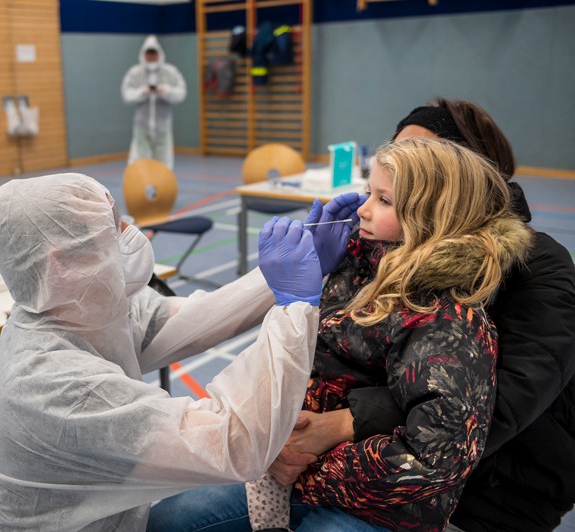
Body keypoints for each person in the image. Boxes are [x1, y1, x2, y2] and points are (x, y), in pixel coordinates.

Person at [147, 138, 534, 531]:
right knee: (167, 520)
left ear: (431, 218)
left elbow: (435, 456)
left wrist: (311, 465)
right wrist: (274, 438)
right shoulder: (357, 267)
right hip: (292, 469)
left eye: (384, 201)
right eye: (369, 192)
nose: (363, 209)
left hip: (378, 505)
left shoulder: (449, 319)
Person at [263, 99, 575, 532]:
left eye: (420, 160)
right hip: (367, 463)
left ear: (455, 179)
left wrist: (344, 425)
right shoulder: (384, 248)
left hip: (496, 489)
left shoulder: (536, 266)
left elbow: (487, 409)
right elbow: (338, 356)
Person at [0, 172, 337, 531]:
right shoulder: (52, 384)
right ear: (60, 263)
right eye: (113, 228)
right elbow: (234, 443)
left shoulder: (76, 309)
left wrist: (286, 275)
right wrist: (295, 307)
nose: (131, 232)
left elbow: (189, 321)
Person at [121, 35, 186, 170]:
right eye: (148, 54)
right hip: (141, 128)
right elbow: (127, 95)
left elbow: (180, 93)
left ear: (159, 55)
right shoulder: (135, 73)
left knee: (164, 164)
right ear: (143, 55)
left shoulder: (170, 72)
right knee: (138, 162)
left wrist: (166, 91)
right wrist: (141, 92)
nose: (151, 58)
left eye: (154, 54)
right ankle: (138, 188)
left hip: (163, 127)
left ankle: (163, 189)